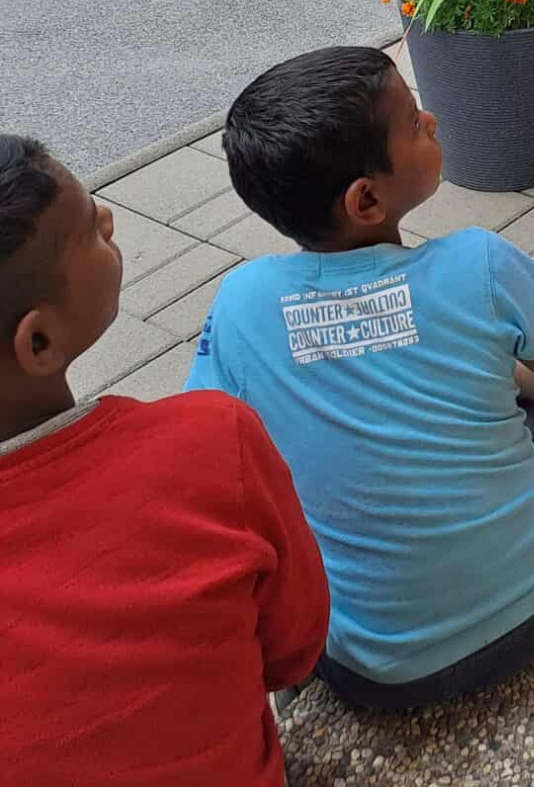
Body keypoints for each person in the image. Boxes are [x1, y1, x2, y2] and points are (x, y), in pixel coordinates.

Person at [185, 46, 534, 710]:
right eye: (412, 122)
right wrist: (497, 374)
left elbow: (212, 455)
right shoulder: (480, 263)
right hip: (533, 609)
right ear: (367, 199)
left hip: (370, 673)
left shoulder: (241, 303)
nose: (431, 119)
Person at [0, 134, 327, 785]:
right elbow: (294, 650)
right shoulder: (211, 442)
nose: (109, 218)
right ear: (38, 342)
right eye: (88, 229)